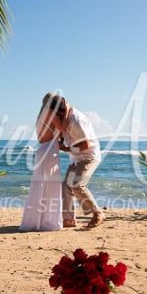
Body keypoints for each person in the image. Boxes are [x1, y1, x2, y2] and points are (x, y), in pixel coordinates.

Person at [44, 93, 105, 229]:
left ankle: (98, 213)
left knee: (77, 185)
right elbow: (64, 136)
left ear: (60, 113)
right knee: (66, 186)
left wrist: (65, 148)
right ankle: (69, 220)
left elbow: (85, 145)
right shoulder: (64, 121)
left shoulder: (76, 120)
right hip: (76, 157)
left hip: (89, 156)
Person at [19, 97, 63, 231]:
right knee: (51, 186)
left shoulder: (40, 116)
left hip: (42, 148)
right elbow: (62, 128)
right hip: (50, 150)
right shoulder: (50, 113)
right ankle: (47, 222)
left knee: (40, 185)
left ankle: (35, 221)